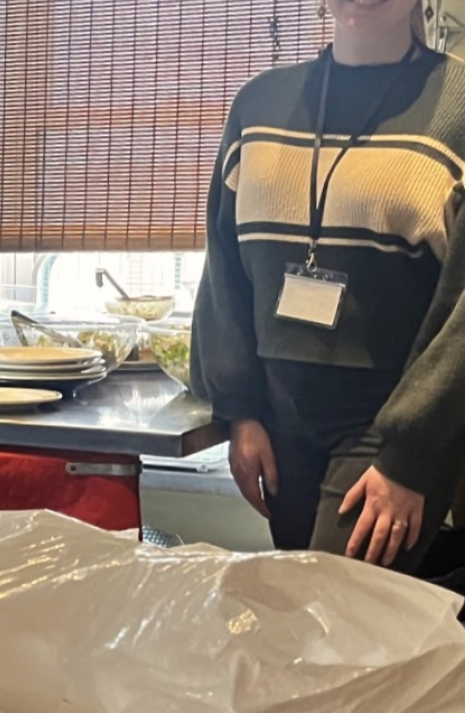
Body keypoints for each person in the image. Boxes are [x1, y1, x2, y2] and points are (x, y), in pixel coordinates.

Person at [191, 0, 465, 573]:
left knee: (330, 609)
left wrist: (411, 455)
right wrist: (240, 411)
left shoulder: (456, 104)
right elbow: (224, 270)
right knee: (300, 606)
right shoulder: (258, 104)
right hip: (279, 423)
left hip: (389, 425)